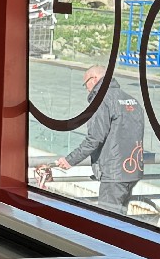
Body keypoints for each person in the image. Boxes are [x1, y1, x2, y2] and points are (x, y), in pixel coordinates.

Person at [56, 66, 146, 214]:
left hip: (114, 173)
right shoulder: (132, 100)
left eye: (86, 84)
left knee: (106, 219)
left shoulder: (101, 100)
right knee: (120, 219)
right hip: (133, 170)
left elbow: (94, 138)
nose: (87, 89)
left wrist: (70, 160)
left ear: (94, 79)